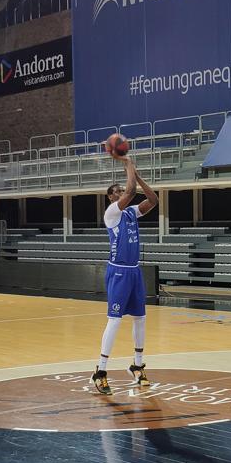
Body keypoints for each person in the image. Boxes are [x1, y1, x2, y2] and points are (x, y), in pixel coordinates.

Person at [91, 154, 158, 395]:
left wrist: (138, 176)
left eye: (121, 191)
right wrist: (128, 162)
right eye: (117, 191)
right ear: (111, 197)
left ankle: (137, 366)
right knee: (115, 320)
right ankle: (100, 371)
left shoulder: (130, 213)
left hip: (134, 271)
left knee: (140, 318)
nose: (122, 192)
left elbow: (152, 199)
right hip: (118, 271)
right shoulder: (112, 213)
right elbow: (130, 190)